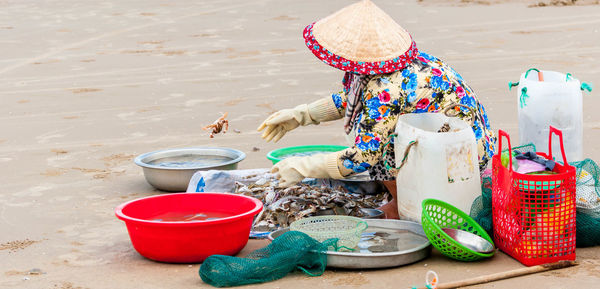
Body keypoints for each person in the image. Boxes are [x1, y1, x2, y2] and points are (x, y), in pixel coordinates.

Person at [257, 0, 496, 219]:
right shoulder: (393, 65)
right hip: (445, 142)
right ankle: (400, 195)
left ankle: (403, 204)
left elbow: (362, 157)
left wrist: (303, 166)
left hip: (461, 159)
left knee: (378, 140)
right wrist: (302, 115)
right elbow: (354, 100)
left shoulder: (388, 89)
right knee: (375, 127)